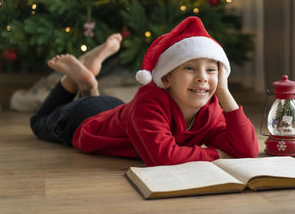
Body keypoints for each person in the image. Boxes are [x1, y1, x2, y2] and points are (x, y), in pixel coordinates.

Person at [30, 16, 259, 166]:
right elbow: (163, 157)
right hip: (81, 120)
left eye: (211, 70)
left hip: (113, 109)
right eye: (190, 68)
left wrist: (224, 93)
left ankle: (88, 83)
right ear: (167, 77)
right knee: (38, 122)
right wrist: (216, 154)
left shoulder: (210, 110)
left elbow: (247, 150)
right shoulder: (148, 102)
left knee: (102, 109)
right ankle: (73, 81)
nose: (202, 77)